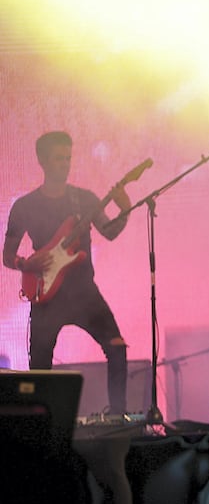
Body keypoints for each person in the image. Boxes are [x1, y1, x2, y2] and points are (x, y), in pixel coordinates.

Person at [2, 131, 133, 415]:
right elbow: (7, 256)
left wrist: (124, 210)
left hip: (85, 292)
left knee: (117, 347)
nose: (65, 164)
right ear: (43, 161)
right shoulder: (24, 206)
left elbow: (109, 232)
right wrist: (27, 264)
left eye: (68, 158)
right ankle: (39, 423)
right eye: (59, 158)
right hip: (47, 294)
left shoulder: (84, 199)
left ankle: (117, 416)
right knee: (39, 366)